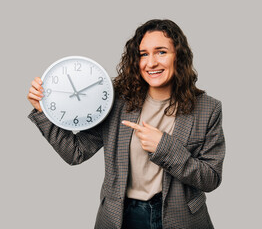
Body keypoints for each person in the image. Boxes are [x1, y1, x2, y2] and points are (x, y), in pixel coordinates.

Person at [27, 19, 225, 229]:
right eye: (143, 54)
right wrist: (44, 111)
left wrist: (164, 147)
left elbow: (210, 178)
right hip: (121, 216)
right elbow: (75, 152)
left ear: (179, 56)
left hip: (181, 218)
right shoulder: (117, 100)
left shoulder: (207, 108)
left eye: (161, 52)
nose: (151, 63)